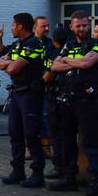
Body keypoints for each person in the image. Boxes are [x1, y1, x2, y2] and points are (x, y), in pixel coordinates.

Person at [49, 11, 98, 196]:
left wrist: (67, 61)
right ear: (72, 27)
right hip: (67, 99)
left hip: (86, 100)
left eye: (85, 25)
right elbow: (54, 67)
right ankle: (69, 178)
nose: (82, 28)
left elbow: (87, 65)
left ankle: (94, 180)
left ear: (89, 25)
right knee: (67, 140)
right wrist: (74, 61)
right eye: (78, 26)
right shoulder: (69, 45)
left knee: (91, 141)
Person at [0, 13, 46, 187]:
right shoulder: (18, 45)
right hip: (17, 94)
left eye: (13, 25)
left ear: (20, 27)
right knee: (15, 133)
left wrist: (7, 64)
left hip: (30, 95)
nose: (11, 28)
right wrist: (6, 62)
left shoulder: (33, 44)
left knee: (31, 134)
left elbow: (12, 69)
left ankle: (37, 173)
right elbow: (1, 59)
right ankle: (18, 171)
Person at [42, 27, 71, 180]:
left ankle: (59, 167)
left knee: (56, 135)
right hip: (70, 96)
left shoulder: (53, 53)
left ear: (54, 40)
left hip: (54, 96)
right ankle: (68, 169)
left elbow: (47, 77)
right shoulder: (74, 51)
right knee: (68, 135)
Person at [33, 16, 55, 159]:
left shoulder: (50, 44)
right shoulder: (28, 43)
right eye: (43, 26)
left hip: (46, 87)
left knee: (45, 118)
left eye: (48, 26)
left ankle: (46, 148)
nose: (47, 29)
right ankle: (30, 149)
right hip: (30, 88)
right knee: (29, 119)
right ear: (35, 27)